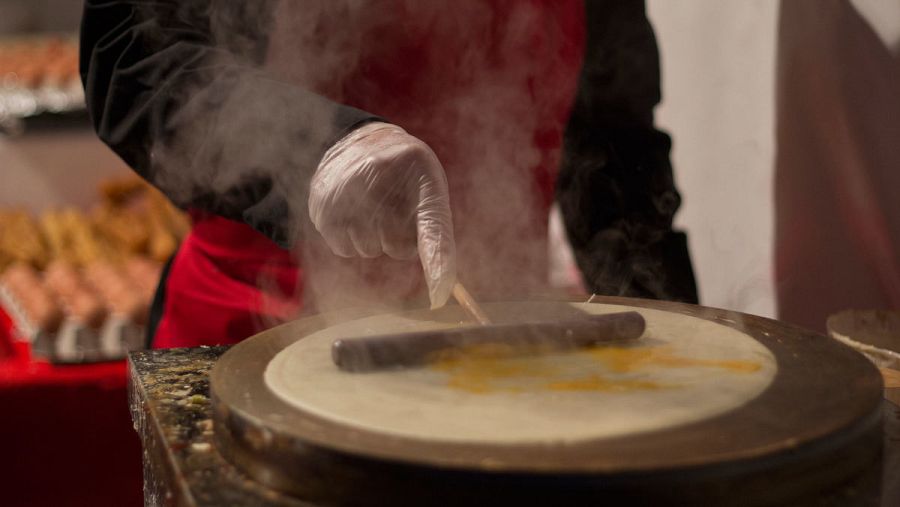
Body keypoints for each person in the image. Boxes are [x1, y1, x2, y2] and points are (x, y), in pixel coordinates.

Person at [80, 0, 697, 348]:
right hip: (256, 335)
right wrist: (318, 150)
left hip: (501, 340)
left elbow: (614, 148)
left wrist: (674, 336)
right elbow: (135, 55)